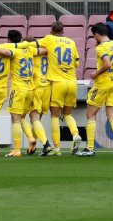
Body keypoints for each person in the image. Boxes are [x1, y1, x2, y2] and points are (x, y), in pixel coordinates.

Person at [30, 21, 82, 156]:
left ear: (51, 30)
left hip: (58, 82)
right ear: (63, 31)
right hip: (72, 82)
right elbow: (77, 63)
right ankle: (75, 134)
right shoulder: (71, 42)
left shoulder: (49, 39)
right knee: (68, 114)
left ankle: (57, 148)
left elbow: (33, 45)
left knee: (55, 116)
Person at [77, 23, 113, 157]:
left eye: (94, 35)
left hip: (102, 84)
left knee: (90, 115)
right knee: (111, 115)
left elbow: (107, 63)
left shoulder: (101, 48)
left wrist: (95, 74)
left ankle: (89, 149)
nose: (93, 38)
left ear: (97, 34)